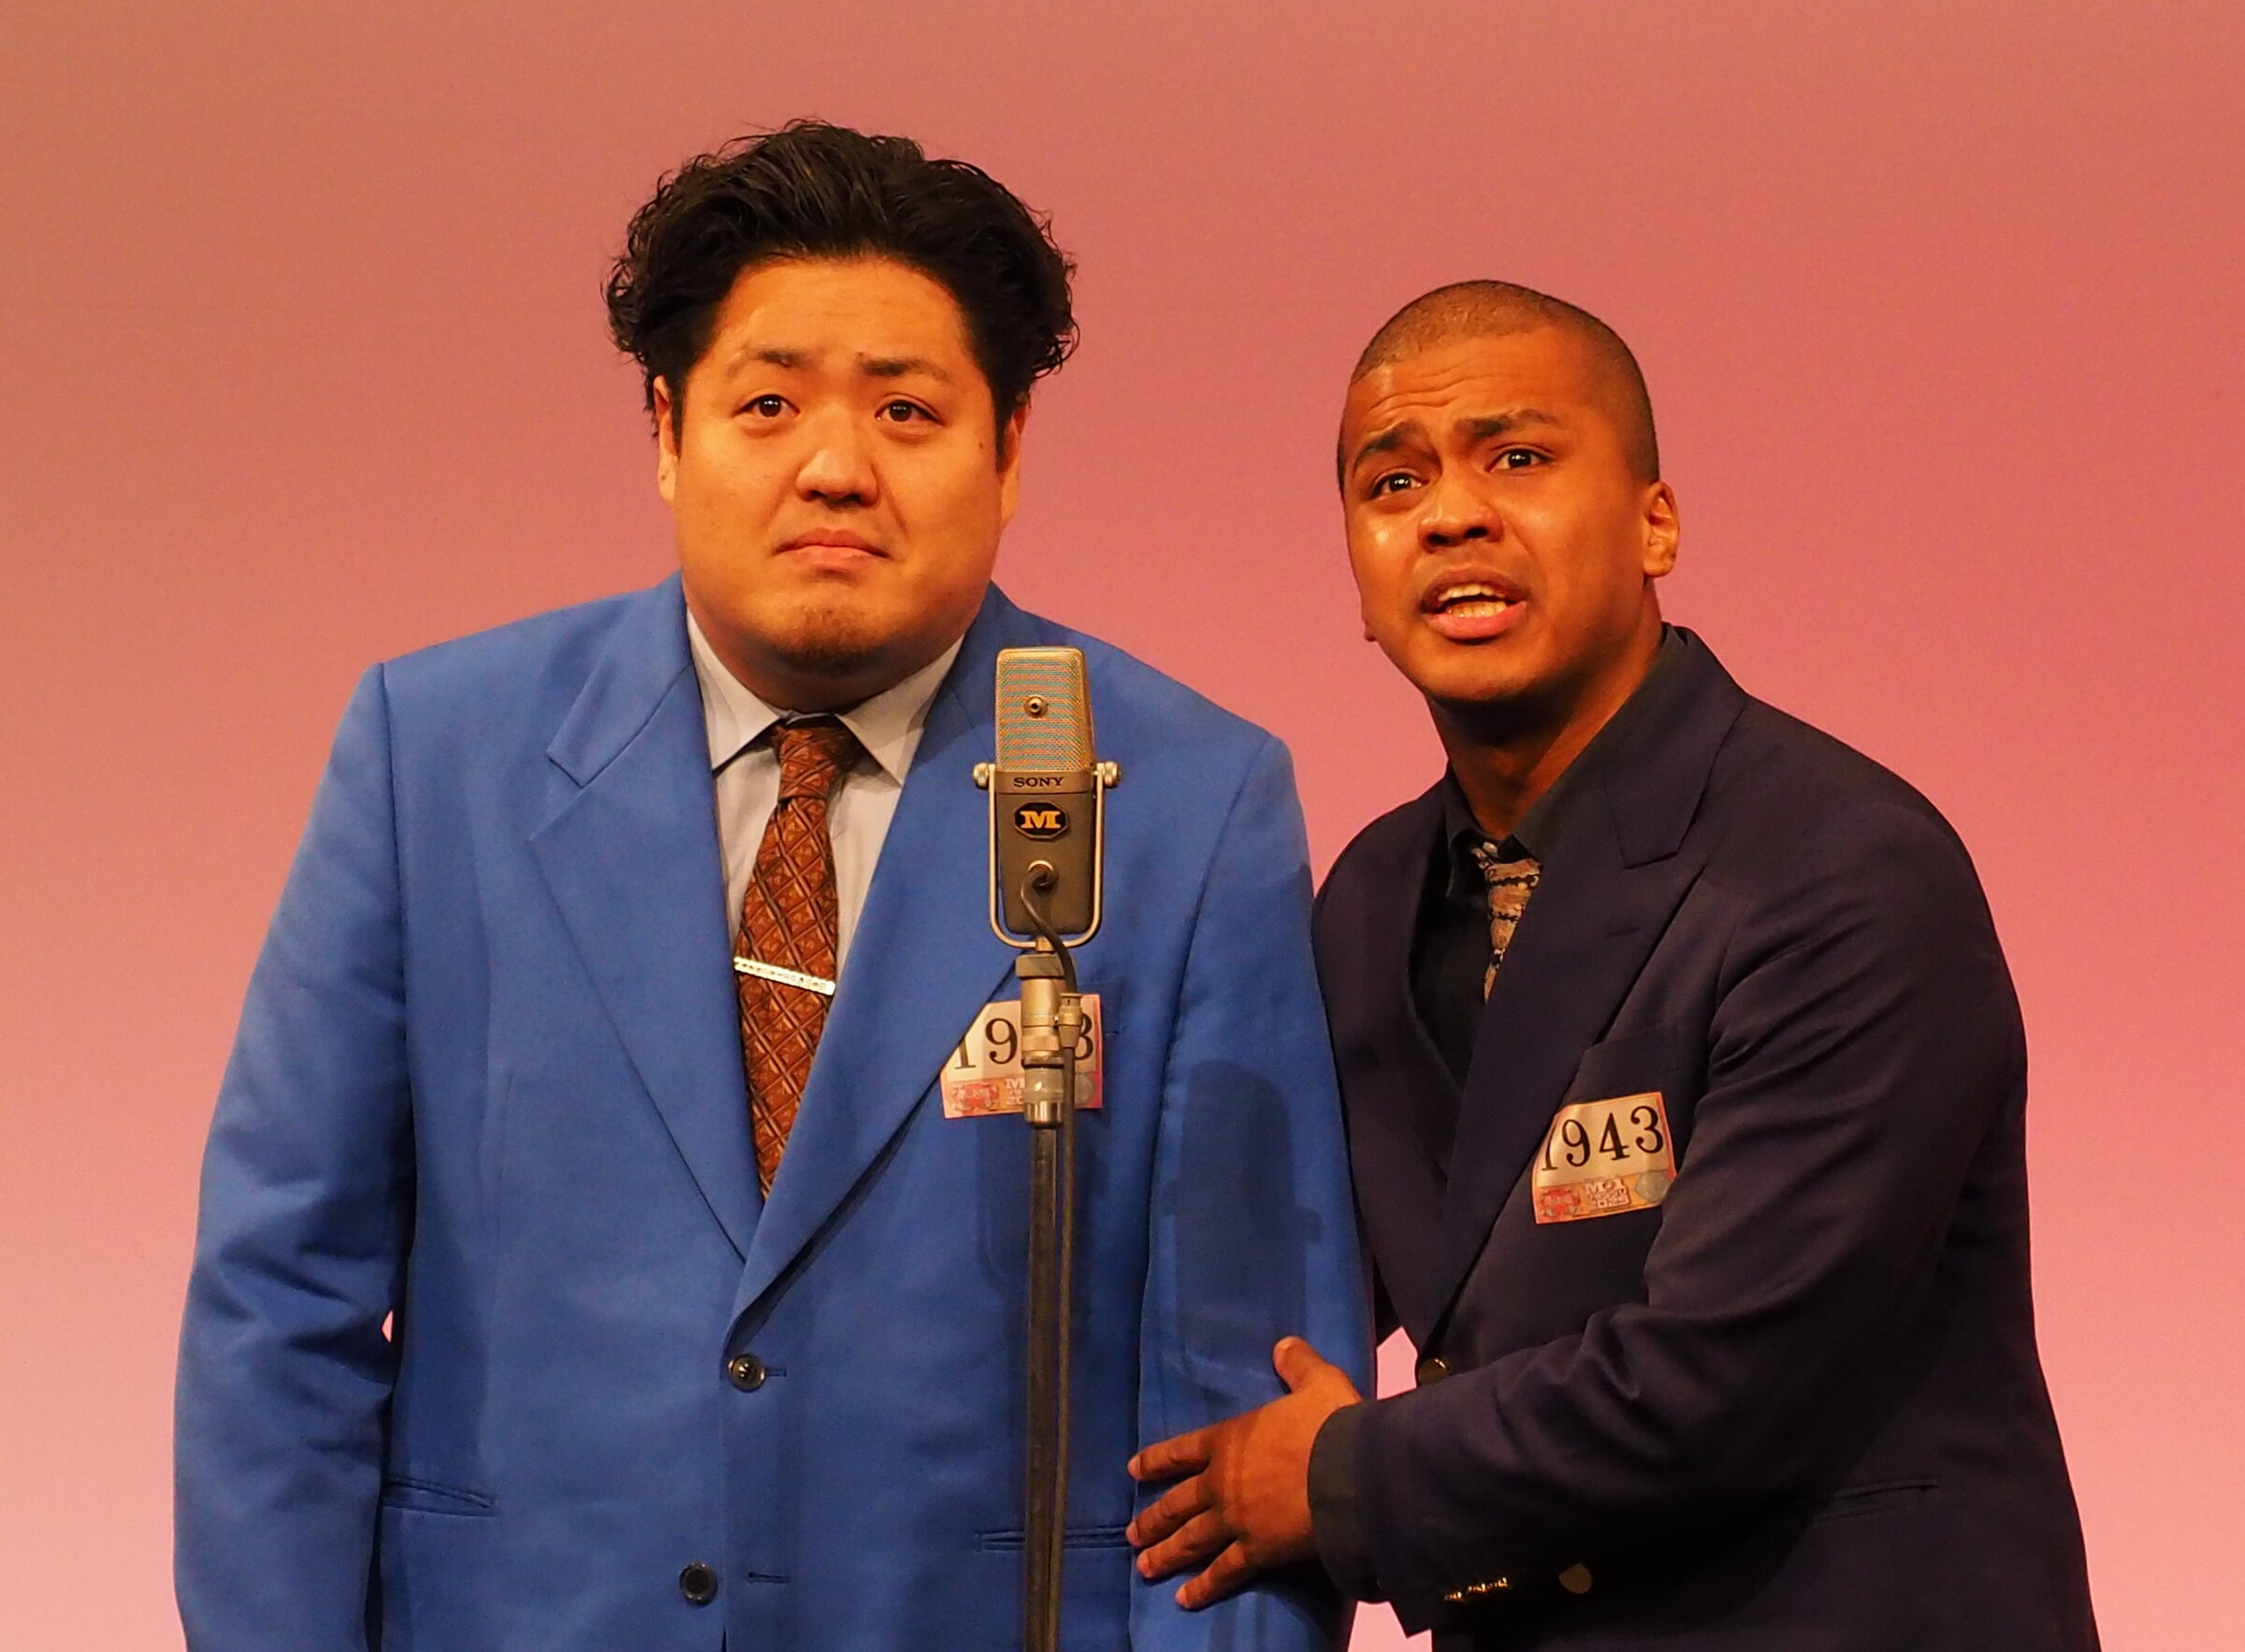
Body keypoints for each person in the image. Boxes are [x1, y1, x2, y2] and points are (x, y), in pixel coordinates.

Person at [175, 122, 1368, 1652]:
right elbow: (282, 1299)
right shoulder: (436, 754)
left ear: (1009, 450)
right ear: (667, 433)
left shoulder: (1189, 798)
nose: (836, 468)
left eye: (909, 411)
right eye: (768, 403)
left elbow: (1240, 1395)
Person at [1127, 281, 2098, 1649]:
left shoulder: (1839, 866)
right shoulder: (1373, 897)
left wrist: (1342, 1482)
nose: (1451, 515)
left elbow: (1721, 1380)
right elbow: (1278, 1270)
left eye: (1517, 457)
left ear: (1657, 524)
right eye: (1393, 482)